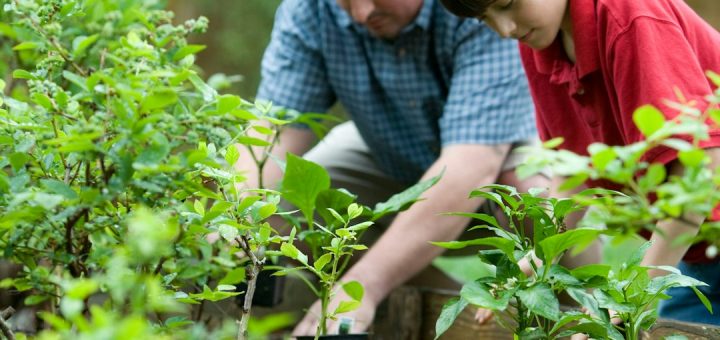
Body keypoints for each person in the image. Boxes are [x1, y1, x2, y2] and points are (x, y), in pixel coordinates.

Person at [237, 0, 552, 335]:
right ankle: (431, 303)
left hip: (500, 149)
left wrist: (363, 287)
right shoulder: (310, 9)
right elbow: (273, 133)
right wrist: (231, 222)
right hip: (388, 149)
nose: (362, 13)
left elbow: (469, 167)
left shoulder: (476, 7)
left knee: (535, 200)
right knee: (285, 203)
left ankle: (586, 307)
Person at [440, 0, 720, 325]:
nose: (506, 29)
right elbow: (574, 169)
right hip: (698, 256)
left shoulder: (628, 16)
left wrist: (634, 291)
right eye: (484, 19)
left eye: (507, 4)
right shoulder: (541, 42)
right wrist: (541, 257)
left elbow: (703, 161)